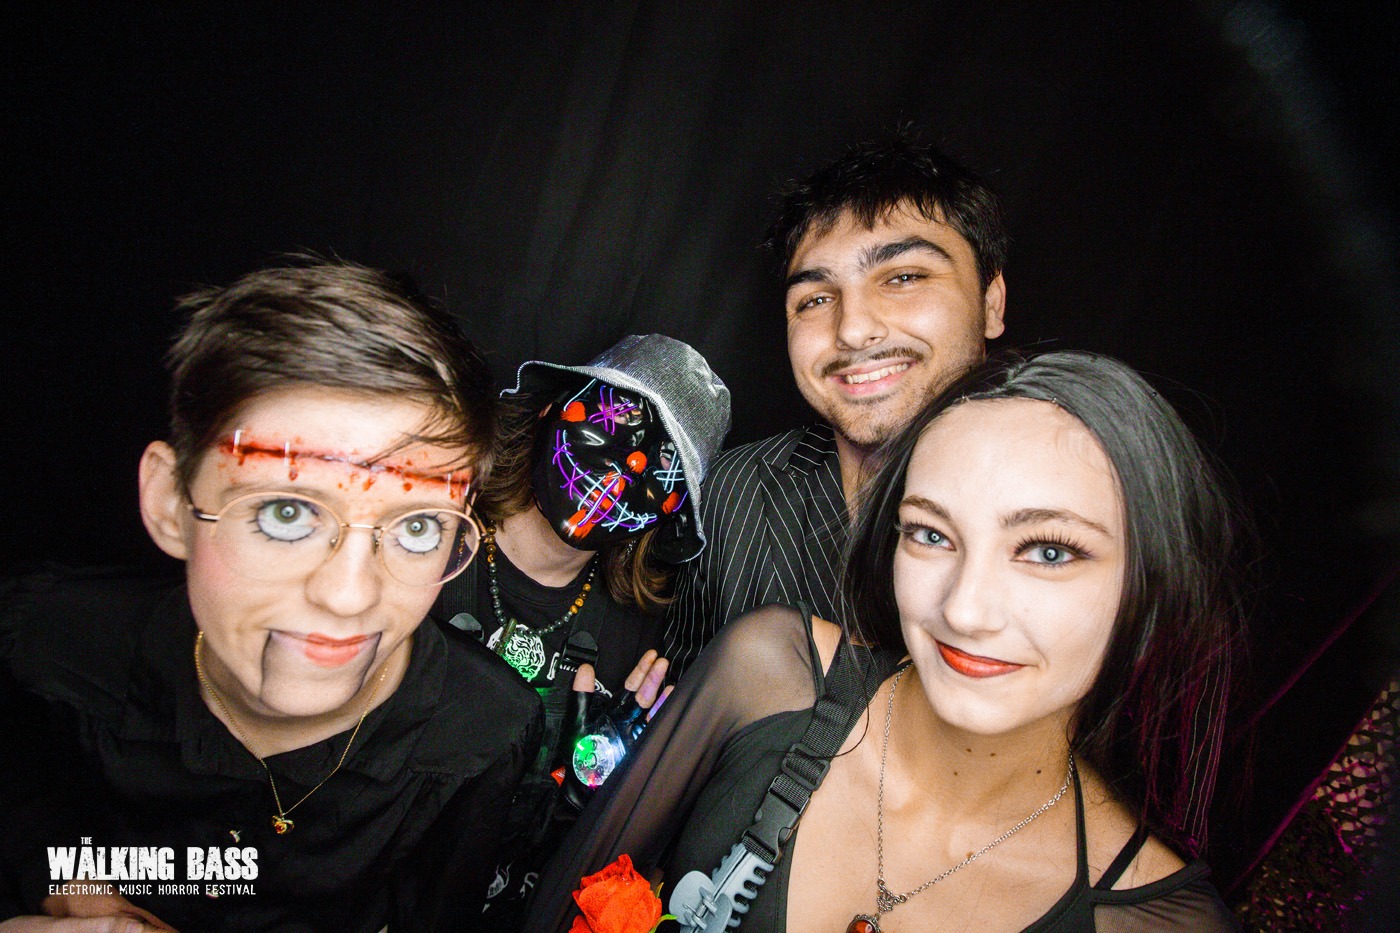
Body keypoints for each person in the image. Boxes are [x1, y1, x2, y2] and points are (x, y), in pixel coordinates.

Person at [528, 351, 1245, 932]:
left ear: (1150, 583)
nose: (963, 608)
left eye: (1048, 551)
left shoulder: (1161, 922)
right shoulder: (769, 675)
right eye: (931, 534)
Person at [0, 261, 542, 932]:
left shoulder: (481, 735)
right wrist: (61, 888)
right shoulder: (42, 644)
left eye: (418, 527)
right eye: (287, 513)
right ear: (171, 503)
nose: (349, 595)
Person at [664, 132, 1009, 674]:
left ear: (991, 303)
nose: (851, 329)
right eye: (816, 298)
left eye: (903, 277)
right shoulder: (734, 489)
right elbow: (681, 680)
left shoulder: (1079, 500)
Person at [432, 334, 730, 923]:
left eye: (663, 467)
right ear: (552, 406)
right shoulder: (429, 537)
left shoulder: (636, 638)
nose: (631, 466)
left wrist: (592, 796)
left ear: (670, 510)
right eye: (614, 426)